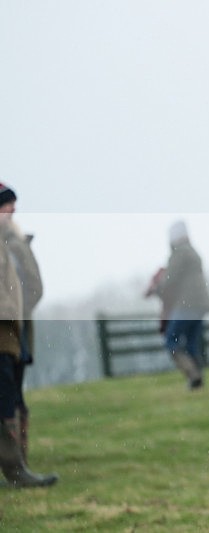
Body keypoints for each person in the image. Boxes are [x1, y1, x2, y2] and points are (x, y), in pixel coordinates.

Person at [0, 183, 58, 487]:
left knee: (11, 396)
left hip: (13, 329)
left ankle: (18, 467)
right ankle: (16, 469)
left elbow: (33, 286)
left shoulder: (15, 242)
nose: (12, 212)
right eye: (6, 206)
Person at [146, 220, 209, 390]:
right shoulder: (192, 252)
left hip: (186, 305)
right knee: (191, 342)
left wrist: (155, 289)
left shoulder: (179, 254)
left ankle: (194, 376)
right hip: (201, 304)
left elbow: (170, 280)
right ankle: (198, 381)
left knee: (171, 340)